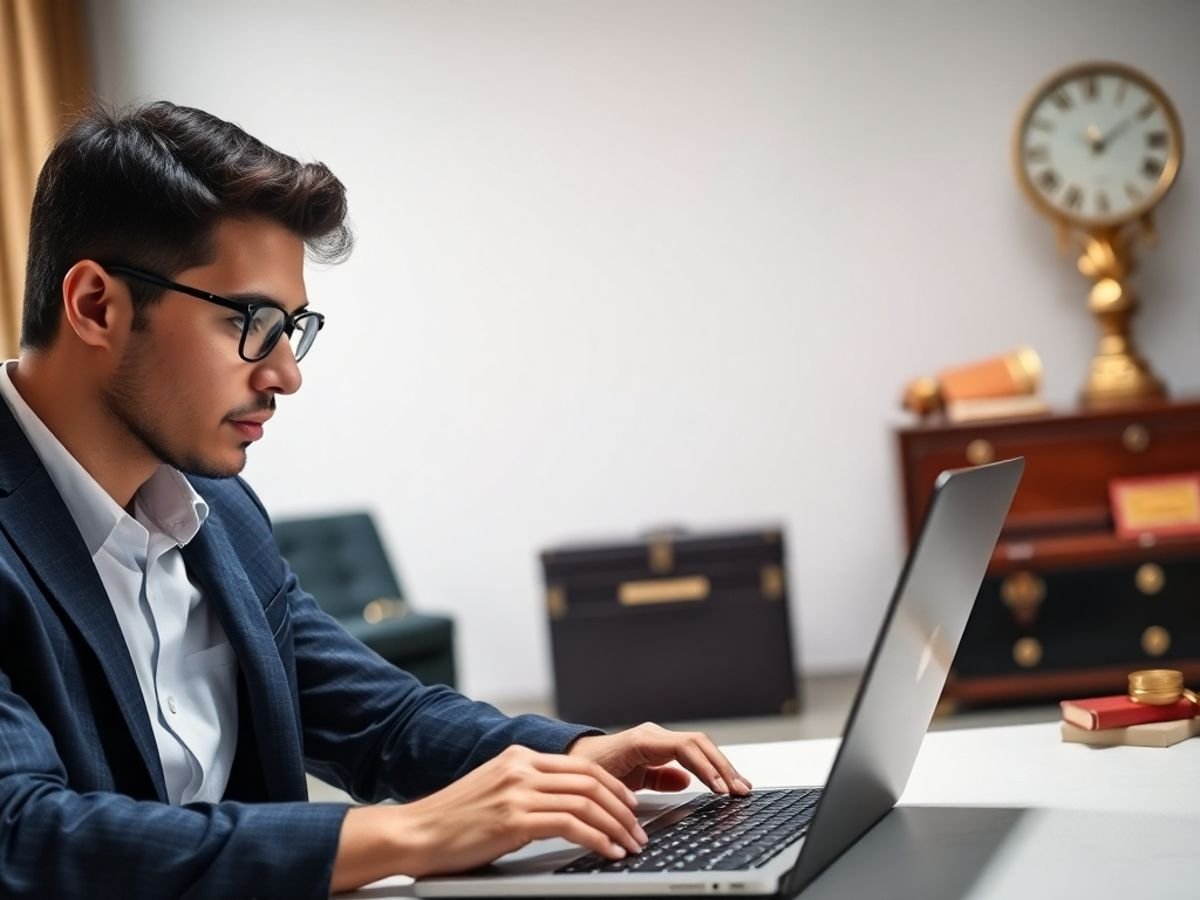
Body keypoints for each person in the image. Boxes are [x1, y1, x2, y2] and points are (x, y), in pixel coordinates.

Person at [0, 101, 752, 898]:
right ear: (95, 305)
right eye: (252, 321)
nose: (287, 372)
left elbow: (379, 719)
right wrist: (414, 833)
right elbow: (23, 835)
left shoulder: (216, 513)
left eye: (295, 327)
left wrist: (567, 757)